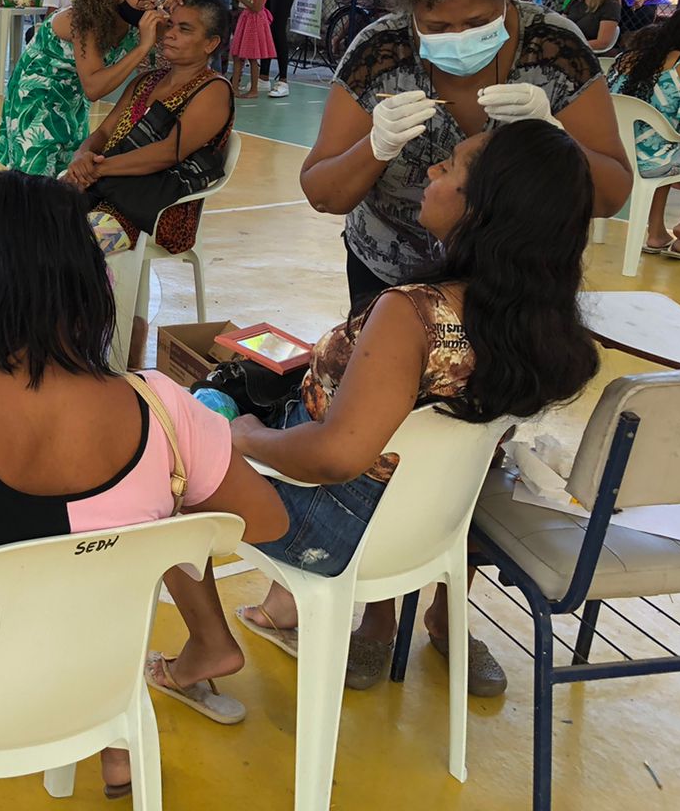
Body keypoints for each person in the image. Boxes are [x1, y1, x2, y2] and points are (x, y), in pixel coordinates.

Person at [0, 170, 289, 809]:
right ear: (88, 282)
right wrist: (157, 509)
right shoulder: (163, 407)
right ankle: (113, 752)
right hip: (93, 690)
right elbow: (267, 521)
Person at [232, 121, 600, 695]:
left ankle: (204, 649)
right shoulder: (537, 323)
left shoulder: (413, 314)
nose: (431, 170)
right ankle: (310, 609)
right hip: (434, 527)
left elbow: (336, 456)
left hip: (338, 528)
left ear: (482, 208)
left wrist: (247, 437)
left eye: (449, 167)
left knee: (171, 451)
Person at [301, 0, 632, 314]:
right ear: (409, 9)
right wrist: (375, 147)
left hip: (519, 285)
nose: (458, 36)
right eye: (437, 26)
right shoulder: (379, 51)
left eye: (478, 23)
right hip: (391, 277)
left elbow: (610, 197)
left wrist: (555, 136)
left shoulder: (555, 50)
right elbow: (322, 195)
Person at [67, 0, 234, 258]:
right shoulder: (146, 81)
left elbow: (168, 153)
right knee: (27, 226)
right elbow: (104, 132)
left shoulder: (213, 90)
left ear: (210, 43)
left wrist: (98, 169)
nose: (170, 34)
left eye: (184, 29)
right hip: (106, 187)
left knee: (65, 245)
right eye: (170, 25)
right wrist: (82, 156)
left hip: (155, 210)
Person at [0, 0, 168, 177]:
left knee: (68, 178)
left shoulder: (131, 17)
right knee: (34, 181)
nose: (151, 4)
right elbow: (94, 88)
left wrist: (179, 11)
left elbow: (164, 57)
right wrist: (143, 47)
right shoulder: (87, 20)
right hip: (39, 98)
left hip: (72, 101)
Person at [608, 7, 680, 259]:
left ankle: (656, 232)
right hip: (654, 159)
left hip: (616, 151)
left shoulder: (625, 58)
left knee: (663, 139)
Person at [229, 0, 275, 97]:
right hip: (245, 19)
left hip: (255, 22)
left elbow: (257, 7)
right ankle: (234, 88)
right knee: (237, 56)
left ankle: (254, 89)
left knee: (253, 57)